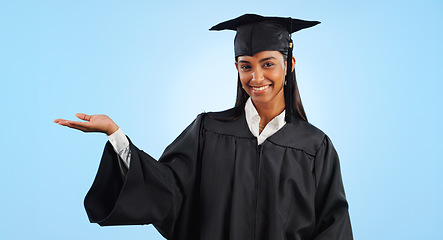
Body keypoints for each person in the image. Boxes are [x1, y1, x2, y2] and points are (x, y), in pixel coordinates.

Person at [55, 14, 353, 240]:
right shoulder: (208, 130)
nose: (257, 77)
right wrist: (115, 135)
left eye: (268, 64)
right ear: (237, 68)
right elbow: (168, 189)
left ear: (288, 65)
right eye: (246, 65)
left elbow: (333, 226)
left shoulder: (314, 146)